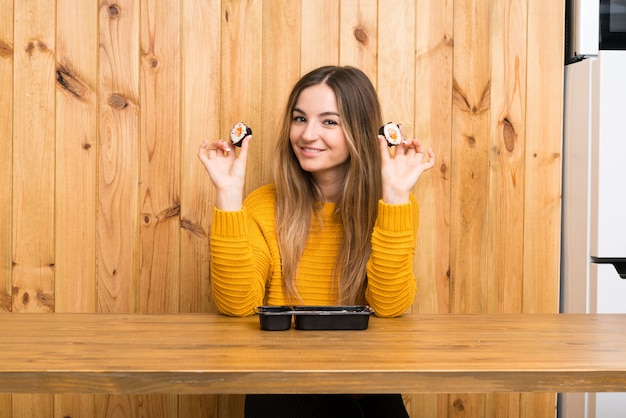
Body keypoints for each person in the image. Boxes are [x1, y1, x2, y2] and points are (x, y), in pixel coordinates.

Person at [198, 65, 435, 418]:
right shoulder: (262, 206)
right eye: (299, 119)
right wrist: (228, 197)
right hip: (280, 382)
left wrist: (397, 196)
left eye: (329, 122)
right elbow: (237, 306)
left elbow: (390, 306)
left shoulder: (391, 207)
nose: (307, 135)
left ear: (358, 130)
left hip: (363, 378)